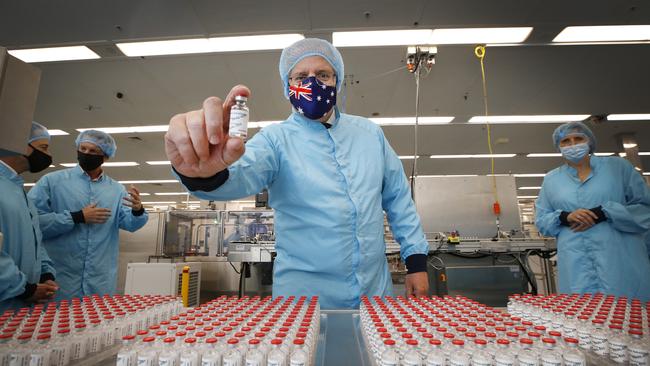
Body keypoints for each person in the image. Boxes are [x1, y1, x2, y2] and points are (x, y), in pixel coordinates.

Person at [164, 38, 430, 309]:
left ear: (337, 82)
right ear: (288, 86)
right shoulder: (275, 141)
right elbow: (238, 174)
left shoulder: (370, 135)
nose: (313, 83)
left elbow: (398, 200)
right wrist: (203, 173)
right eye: (301, 77)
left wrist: (416, 261)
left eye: (323, 75)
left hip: (374, 294)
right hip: (303, 302)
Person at [535, 121, 650, 300]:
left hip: (619, 258)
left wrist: (605, 212)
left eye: (578, 138)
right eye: (565, 141)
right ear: (558, 146)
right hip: (576, 262)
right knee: (583, 316)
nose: (572, 144)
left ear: (589, 141)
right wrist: (565, 217)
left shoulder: (618, 167)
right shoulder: (551, 179)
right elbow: (542, 220)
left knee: (628, 316)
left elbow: (645, 208)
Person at [28, 130, 149, 299]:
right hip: (59, 279)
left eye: (93, 151)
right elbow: (32, 223)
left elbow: (129, 223)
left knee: (99, 322)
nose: (86, 154)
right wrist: (77, 217)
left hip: (100, 281)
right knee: (56, 324)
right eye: (83, 149)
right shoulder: (52, 182)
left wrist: (138, 210)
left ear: (105, 156)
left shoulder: (116, 190)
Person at [0, 122, 58, 310]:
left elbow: (35, 240)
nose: (48, 155)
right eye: (43, 148)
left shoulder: (18, 190)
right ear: (19, 145)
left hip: (21, 303)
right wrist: (23, 288)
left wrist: (44, 274)